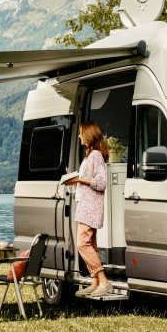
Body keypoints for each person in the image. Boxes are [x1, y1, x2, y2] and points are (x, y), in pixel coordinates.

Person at [68, 121, 111, 298]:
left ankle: (103, 280)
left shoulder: (96, 156)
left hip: (90, 207)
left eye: (81, 134)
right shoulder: (90, 155)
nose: (79, 137)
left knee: (82, 244)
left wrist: (79, 179)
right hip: (85, 205)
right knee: (91, 244)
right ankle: (95, 282)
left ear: (88, 134)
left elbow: (101, 183)